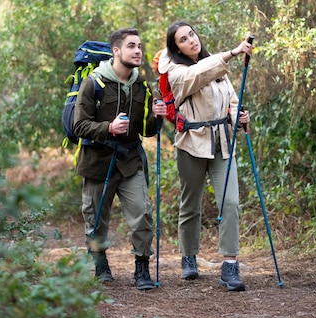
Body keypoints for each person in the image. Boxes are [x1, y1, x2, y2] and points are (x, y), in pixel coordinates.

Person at [159, 21, 253, 292]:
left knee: (231, 202)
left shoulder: (215, 66)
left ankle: (229, 265)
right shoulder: (176, 71)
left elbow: (232, 102)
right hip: (191, 143)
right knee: (190, 204)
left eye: (192, 34)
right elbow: (199, 74)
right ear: (175, 47)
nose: (191, 40)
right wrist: (232, 53)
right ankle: (189, 256)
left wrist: (239, 116)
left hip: (222, 141)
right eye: (183, 39)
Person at [74, 27, 167, 290]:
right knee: (96, 219)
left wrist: (157, 116)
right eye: (131, 46)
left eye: (139, 46)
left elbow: (147, 131)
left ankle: (142, 268)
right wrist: (109, 129)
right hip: (97, 163)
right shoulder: (93, 83)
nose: (138, 51)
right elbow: (79, 125)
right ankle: (100, 265)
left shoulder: (141, 86)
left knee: (142, 215)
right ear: (116, 51)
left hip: (130, 161)